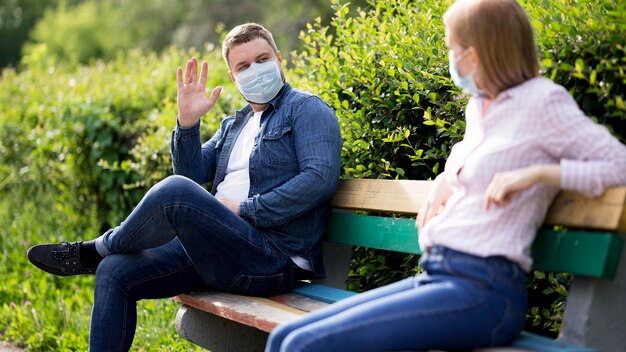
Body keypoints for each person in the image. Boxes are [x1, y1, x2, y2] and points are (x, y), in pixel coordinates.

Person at [264, 0, 626, 351]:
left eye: (454, 48)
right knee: (285, 337)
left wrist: (539, 174)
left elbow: (618, 165)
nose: (451, 58)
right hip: (440, 274)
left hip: (484, 290)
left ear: (480, 51)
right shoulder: (480, 107)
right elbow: (479, 168)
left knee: (302, 345)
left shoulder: (543, 101)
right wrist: (445, 180)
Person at [27, 23, 342, 351]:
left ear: (279, 59)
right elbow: (192, 175)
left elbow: (319, 179)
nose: (256, 70)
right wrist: (188, 125)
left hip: (271, 258)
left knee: (174, 190)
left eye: (262, 59)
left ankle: (95, 249)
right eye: (244, 66)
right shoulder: (235, 125)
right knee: (114, 270)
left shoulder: (307, 110)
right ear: (234, 77)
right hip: (218, 250)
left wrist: (245, 209)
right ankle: (103, 255)